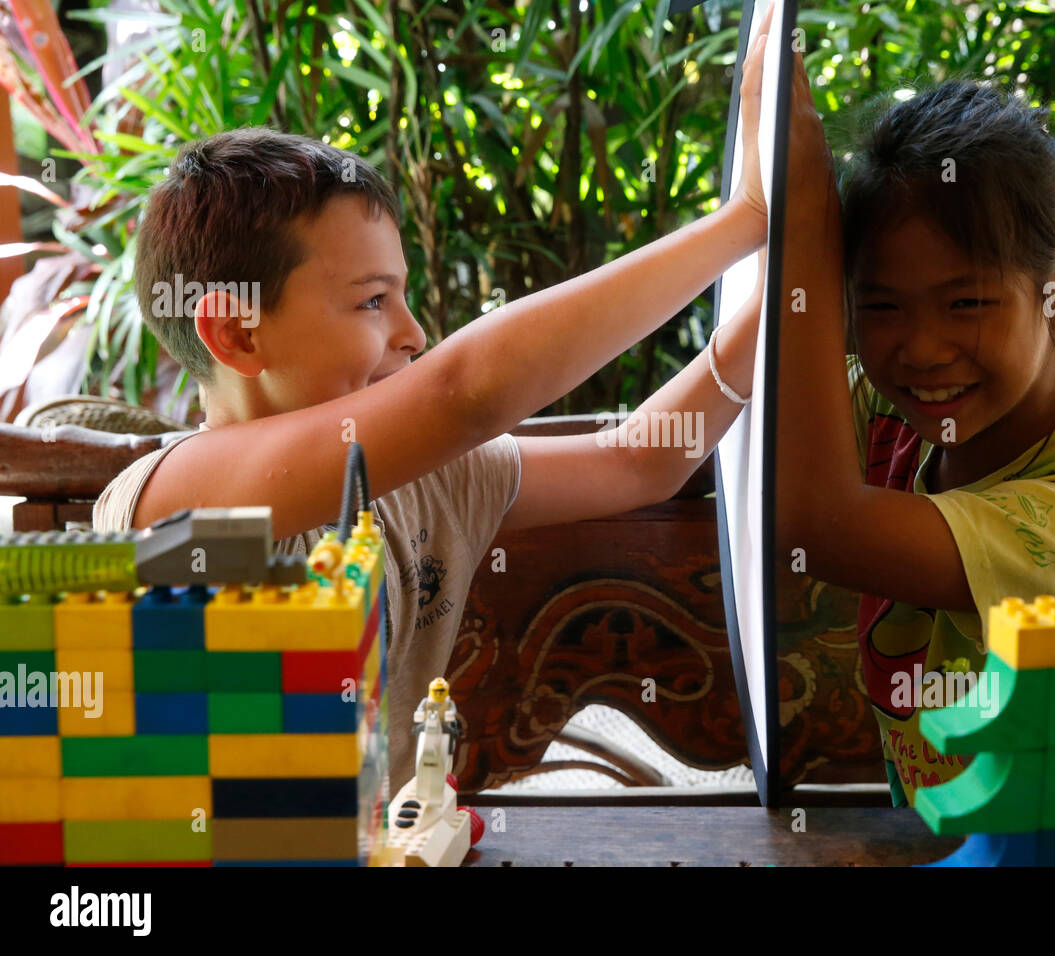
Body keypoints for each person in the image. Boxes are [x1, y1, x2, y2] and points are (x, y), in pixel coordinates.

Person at [94, 23, 776, 792]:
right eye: (373, 301)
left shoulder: (418, 481)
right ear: (235, 329)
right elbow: (465, 394)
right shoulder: (174, 502)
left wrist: (772, 303)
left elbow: (639, 461)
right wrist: (743, 219)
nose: (413, 333)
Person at [775, 69, 1055, 806]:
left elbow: (816, 520)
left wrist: (803, 210)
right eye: (881, 304)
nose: (922, 348)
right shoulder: (893, 419)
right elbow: (738, 413)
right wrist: (778, 206)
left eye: (966, 302)